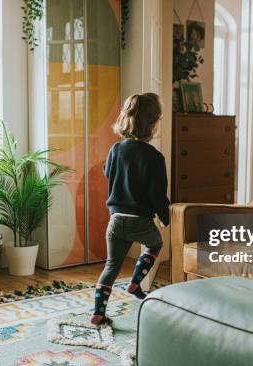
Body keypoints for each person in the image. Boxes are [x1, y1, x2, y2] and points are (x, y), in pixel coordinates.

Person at [91, 93, 170, 325]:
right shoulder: (155, 158)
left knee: (111, 266)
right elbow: (158, 195)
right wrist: (164, 218)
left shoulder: (116, 149)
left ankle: (98, 313)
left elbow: (108, 173)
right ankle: (135, 282)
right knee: (155, 244)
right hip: (141, 221)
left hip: (115, 221)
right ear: (152, 124)